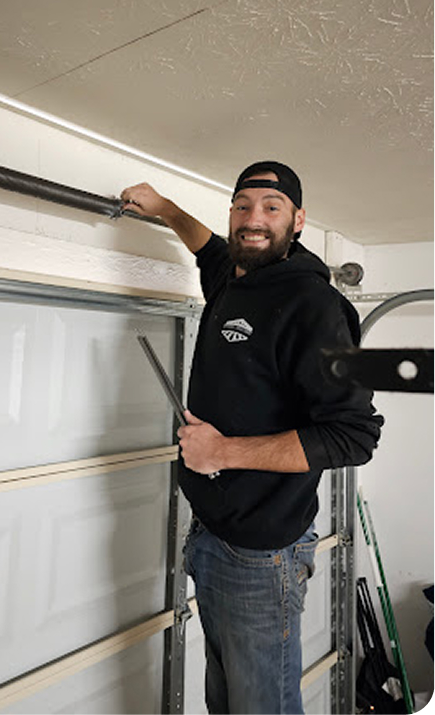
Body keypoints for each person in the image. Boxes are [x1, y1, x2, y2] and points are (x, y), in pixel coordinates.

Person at [120, 161, 383, 715]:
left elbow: (354, 435)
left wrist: (223, 451)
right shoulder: (233, 275)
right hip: (214, 537)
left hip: (262, 557)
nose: (253, 219)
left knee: (262, 706)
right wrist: (164, 207)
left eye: (271, 207)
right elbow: (207, 248)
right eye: (242, 206)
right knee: (226, 701)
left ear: (298, 220)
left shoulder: (314, 305)